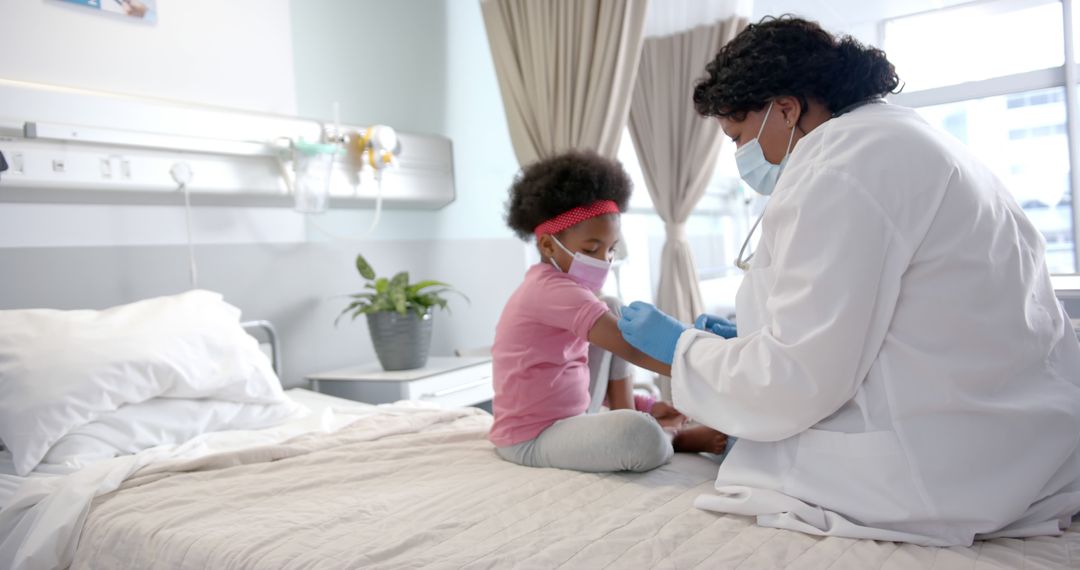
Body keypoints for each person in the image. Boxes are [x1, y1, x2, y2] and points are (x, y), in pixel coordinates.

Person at [617, 16, 1080, 546]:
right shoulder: (907, 136)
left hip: (948, 467)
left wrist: (682, 351)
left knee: (757, 462)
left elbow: (797, 381)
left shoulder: (837, 169)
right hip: (1022, 438)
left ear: (785, 109)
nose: (739, 154)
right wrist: (747, 340)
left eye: (738, 135)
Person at [490, 150, 728, 473]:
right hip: (531, 437)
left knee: (613, 307)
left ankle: (629, 411)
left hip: (573, 417)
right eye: (591, 249)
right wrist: (710, 369)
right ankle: (671, 438)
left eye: (611, 249)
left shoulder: (573, 292)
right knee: (639, 437)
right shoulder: (548, 290)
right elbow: (627, 345)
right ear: (547, 246)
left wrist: (645, 404)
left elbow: (579, 373)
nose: (603, 259)